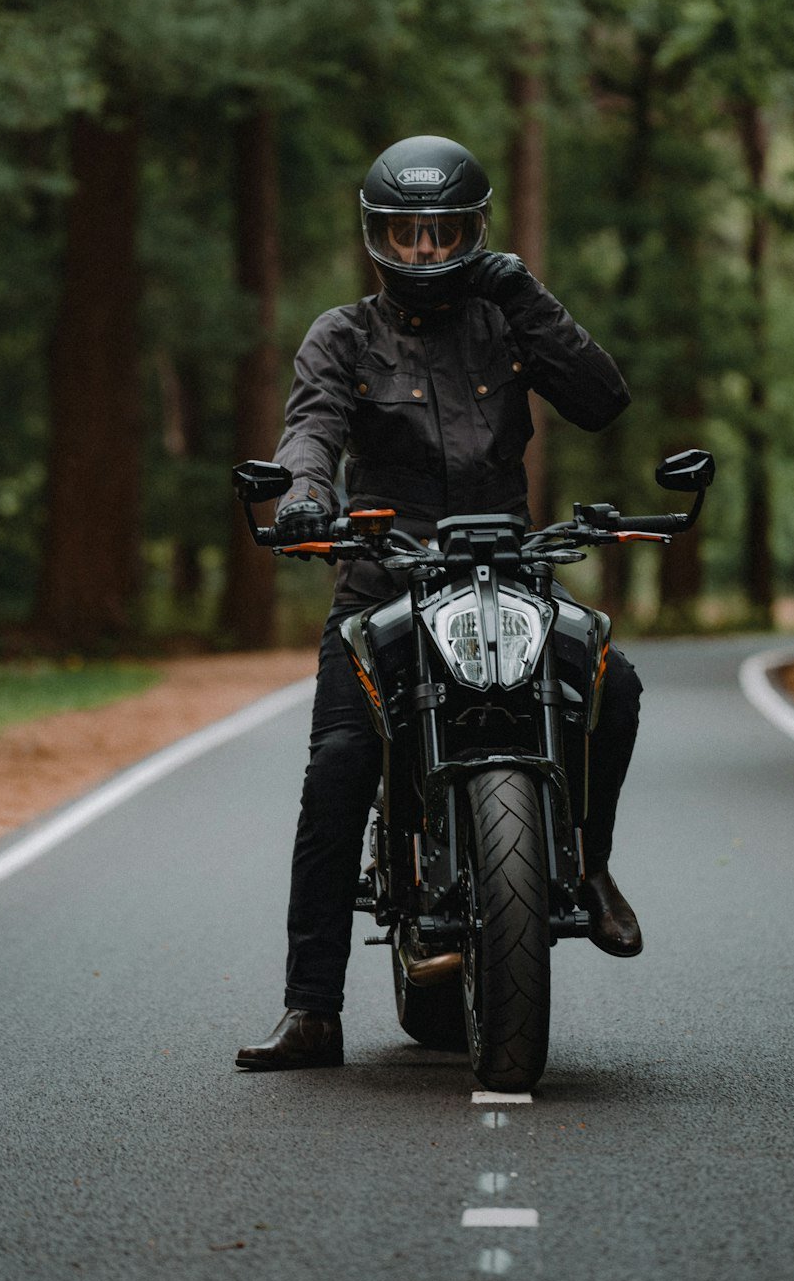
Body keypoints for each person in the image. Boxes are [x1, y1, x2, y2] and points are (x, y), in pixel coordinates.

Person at [236, 134, 643, 1072]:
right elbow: (313, 428)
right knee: (340, 761)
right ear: (379, 237)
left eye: (443, 232)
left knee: (613, 691)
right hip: (386, 579)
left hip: (510, 574)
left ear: (474, 231)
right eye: (406, 235)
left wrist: (528, 296)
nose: (425, 251)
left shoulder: (507, 324)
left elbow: (602, 399)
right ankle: (312, 1009)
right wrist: (306, 498)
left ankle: (587, 865)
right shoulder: (341, 336)